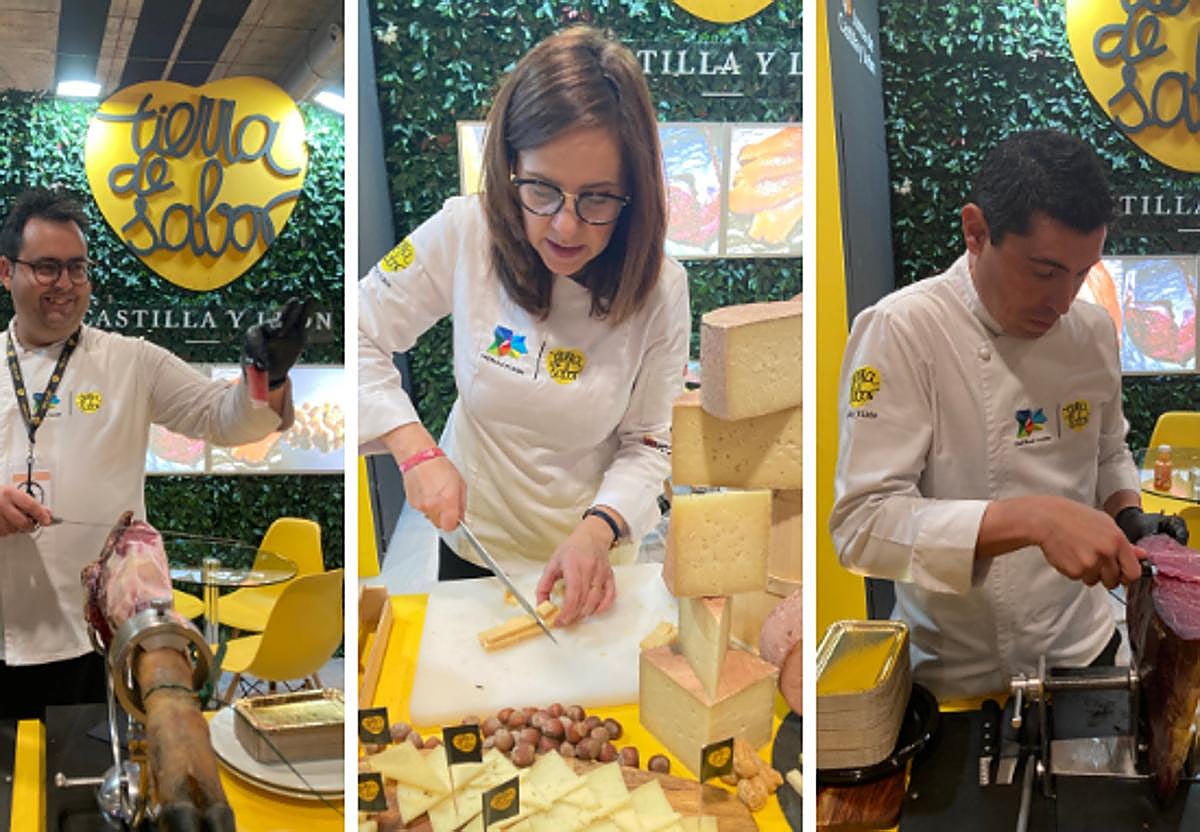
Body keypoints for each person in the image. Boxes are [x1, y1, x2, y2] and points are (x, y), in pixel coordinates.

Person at [830, 130, 1187, 701]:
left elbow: (1107, 451)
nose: (1063, 300)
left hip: (1085, 653)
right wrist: (1033, 519)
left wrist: (1127, 516)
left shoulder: (1092, 331)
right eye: (1044, 272)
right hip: (955, 677)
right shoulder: (903, 330)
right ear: (976, 231)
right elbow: (862, 526)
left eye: (1081, 273)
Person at [359, 26, 690, 627]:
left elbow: (651, 442)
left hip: (592, 554)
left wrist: (597, 532)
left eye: (597, 199)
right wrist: (414, 449)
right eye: (541, 189)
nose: (565, 227)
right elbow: (362, 331)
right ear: (510, 166)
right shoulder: (466, 232)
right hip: (475, 543)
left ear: (634, 195)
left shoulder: (660, 287)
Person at [0, 186, 307, 720]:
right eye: (47, 268)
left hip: (100, 633)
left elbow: (223, 416)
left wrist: (268, 375)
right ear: (6, 271)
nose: (65, 285)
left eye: (78, 268)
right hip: (5, 628)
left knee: (93, 786)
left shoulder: (131, 361)